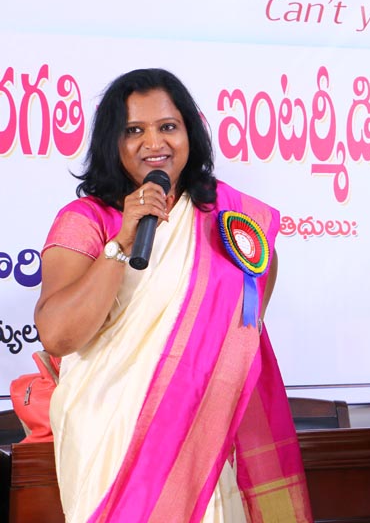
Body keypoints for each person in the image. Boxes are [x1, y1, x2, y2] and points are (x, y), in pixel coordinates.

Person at [34, 68, 312, 522]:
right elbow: (58, 335)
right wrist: (120, 244)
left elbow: (246, 315)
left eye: (167, 126)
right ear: (111, 141)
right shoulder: (86, 220)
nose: (153, 142)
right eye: (134, 131)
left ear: (189, 133)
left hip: (206, 442)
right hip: (112, 443)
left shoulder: (231, 219)